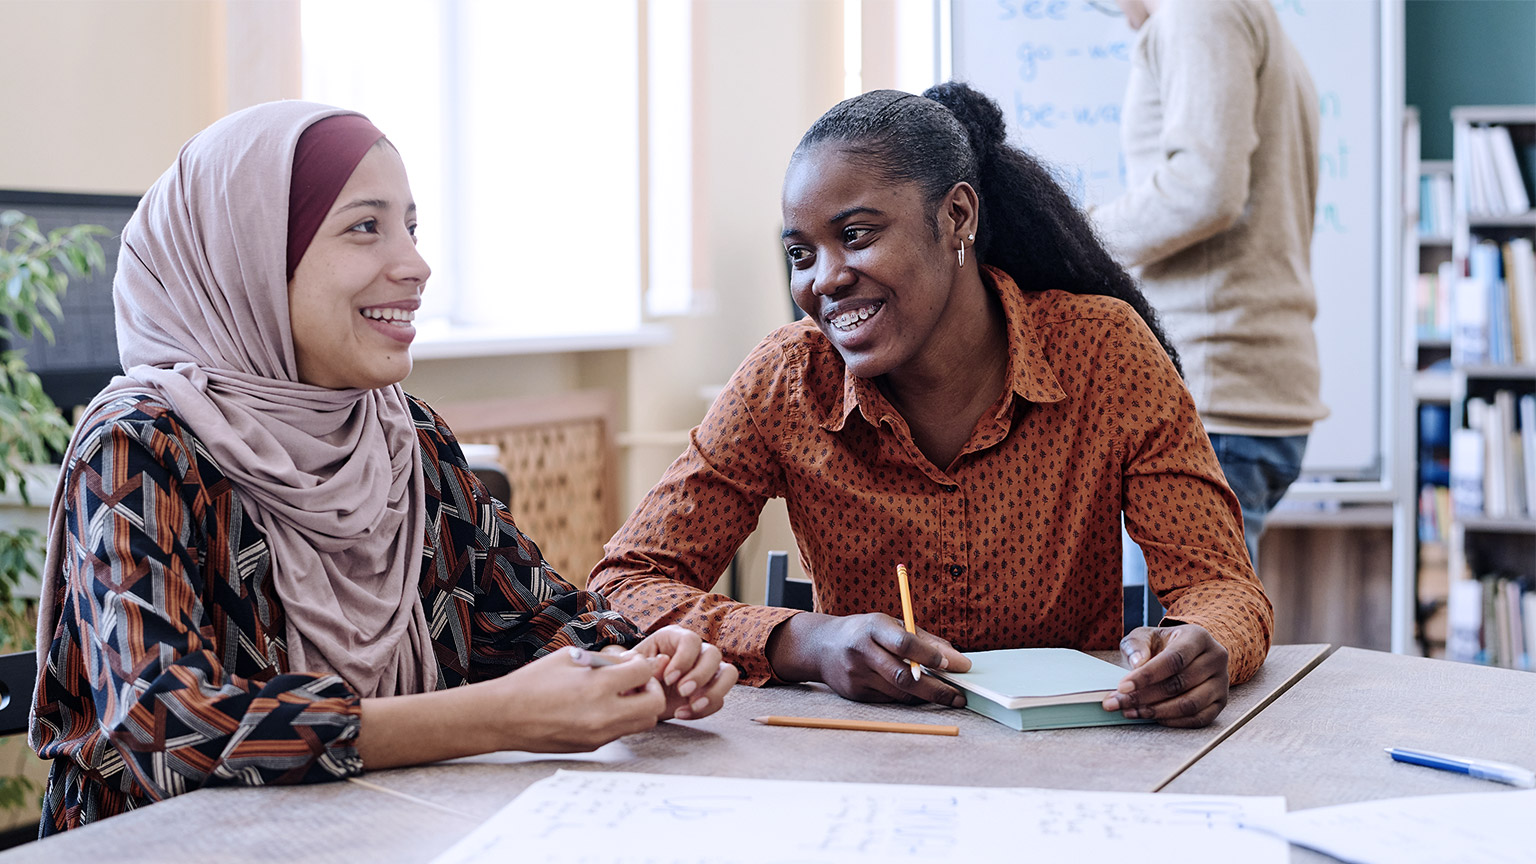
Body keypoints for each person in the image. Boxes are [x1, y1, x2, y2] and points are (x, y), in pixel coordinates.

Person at [29, 101, 736, 836]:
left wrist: (648, 661)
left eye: (411, 226)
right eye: (366, 226)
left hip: (388, 836)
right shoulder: (140, 443)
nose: (416, 265)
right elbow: (167, 725)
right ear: (252, 255)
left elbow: (539, 623)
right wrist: (490, 719)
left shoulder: (406, 433)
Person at [591, 84, 1271, 730]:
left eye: (856, 235)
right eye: (801, 253)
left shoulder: (1103, 351)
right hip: (872, 760)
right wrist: (807, 641)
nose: (823, 278)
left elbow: (1221, 584)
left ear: (956, 217)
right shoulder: (786, 380)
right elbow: (623, 586)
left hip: (1071, 752)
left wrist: (1204, 641)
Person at [1091, 0, 1327, 566]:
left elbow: (1203, 190)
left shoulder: (1201, 10)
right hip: (1236, 395)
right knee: (1200, 635)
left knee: (1179, 647)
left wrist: (1077, 238)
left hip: (1213, 396)